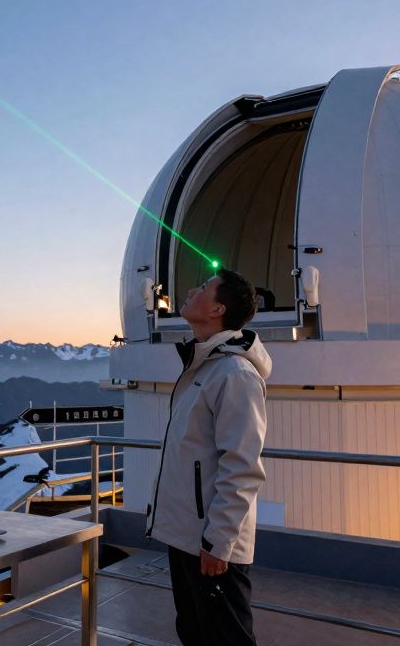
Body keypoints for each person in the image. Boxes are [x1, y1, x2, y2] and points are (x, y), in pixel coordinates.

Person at [145, 268, 270, 646]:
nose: (191, 290)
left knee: (226, 639)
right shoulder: (204, 366)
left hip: (211, 544)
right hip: (187, 536)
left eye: (203, 287)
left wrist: (218, 542)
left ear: (217, 309)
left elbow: (242, 467)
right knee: (196, 634)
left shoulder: (235, 374)